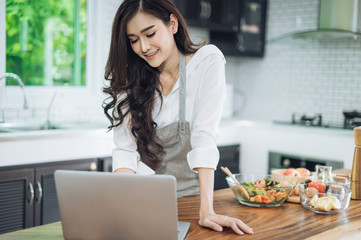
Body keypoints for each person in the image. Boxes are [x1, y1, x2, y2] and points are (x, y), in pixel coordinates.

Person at [103, 0, 253, 236]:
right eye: (133, 40)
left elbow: (203, 137)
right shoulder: (130, 80)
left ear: (172, 24)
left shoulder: (207, 62)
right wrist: (125, 206)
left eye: (150, 33)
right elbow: (125, 151)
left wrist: (206, 211)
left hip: (192, 202)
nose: (143, 47)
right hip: (144, 202)